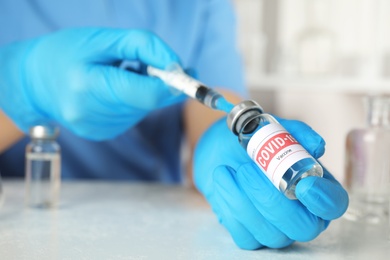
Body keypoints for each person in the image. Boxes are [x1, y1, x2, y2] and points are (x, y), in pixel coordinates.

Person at [0, 0, 348, 249]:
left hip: (152, 224)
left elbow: (213, 102)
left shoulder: (197, 6)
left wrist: (221, 142)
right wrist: (22, 85)